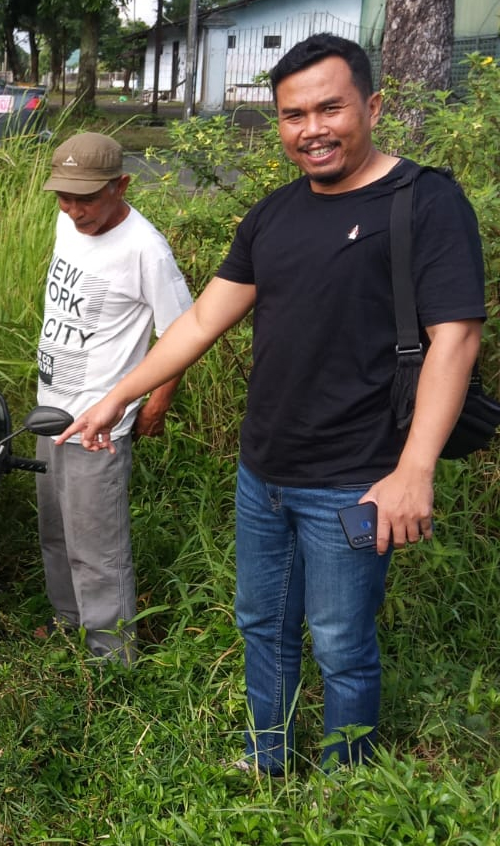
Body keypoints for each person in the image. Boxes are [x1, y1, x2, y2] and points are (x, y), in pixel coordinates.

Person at [58, 34, 486, 773]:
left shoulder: (426, 202)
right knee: (263, 624)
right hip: (264, 473)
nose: (311, 129)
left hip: (357, 478)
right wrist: (115, 399)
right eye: (293, 115)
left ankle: (348, 788)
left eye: (330, 108)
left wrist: (415, 469)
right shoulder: (273, 215)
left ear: (372, 106)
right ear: (278, 123)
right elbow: (197, 323)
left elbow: (455, 339)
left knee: (341, 641)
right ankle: (268, 758)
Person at [35, 132, 193, 663]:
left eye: (88, 197)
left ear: (121, 185)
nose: (75, 210)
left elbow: (182, 334)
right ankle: (68, 627)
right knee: (56, 533)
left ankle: (110, 662)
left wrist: (155, 405)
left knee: (97, 552)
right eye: (65, 196)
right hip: (49, 410)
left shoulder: (145, 248)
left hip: (100, 423)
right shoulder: (68, 221)